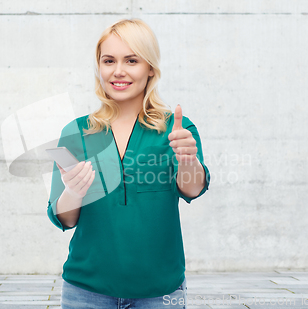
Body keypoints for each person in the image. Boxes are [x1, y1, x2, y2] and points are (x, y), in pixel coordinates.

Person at [47, 18, 210, 309]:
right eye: (109, 60)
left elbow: (193, 188)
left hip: (160, 291)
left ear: (150, 68)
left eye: (131, 60)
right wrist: (73, 191)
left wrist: (188, 160)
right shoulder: (75, 132)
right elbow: (65, 218)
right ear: (99, 67)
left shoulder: (176, 130)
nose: (118, 71)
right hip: (86, 291)